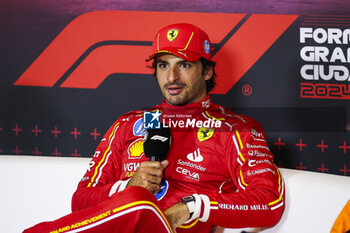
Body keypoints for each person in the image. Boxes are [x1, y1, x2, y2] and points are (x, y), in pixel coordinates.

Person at [24, 23, 284, 233]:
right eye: (163, 65)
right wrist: (125, 187)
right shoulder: (128, 124)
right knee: (135, 200)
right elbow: (80, 201)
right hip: (121, 224)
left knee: (140, 204)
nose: (171, 78)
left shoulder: (236, 130)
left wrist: (190, 208)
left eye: (184, 65)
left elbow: (268, 203)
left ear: (206, 71)